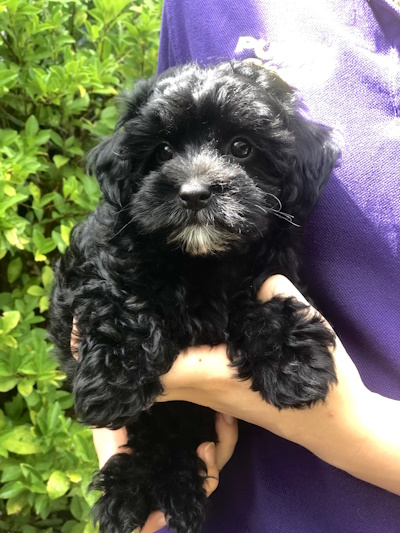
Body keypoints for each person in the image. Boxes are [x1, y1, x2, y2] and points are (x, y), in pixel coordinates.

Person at [90, 1, 400, 532]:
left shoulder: (274, 240)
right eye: (166, 151)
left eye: (239, 147)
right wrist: (126, 440)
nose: (193, 182)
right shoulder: (202, 7)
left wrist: (349, 425)